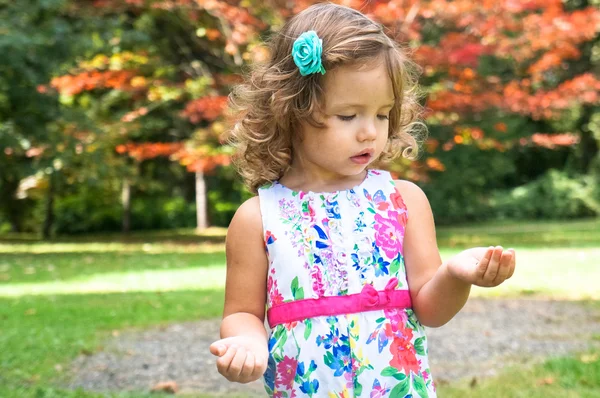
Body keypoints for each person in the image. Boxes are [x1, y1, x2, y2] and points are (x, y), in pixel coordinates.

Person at [209, 3, 516, 397]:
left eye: (383, 114)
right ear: (292, 111)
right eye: (349, 115)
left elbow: (431, 310)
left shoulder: (403, 201)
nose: (370, 132)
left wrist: (456, 275)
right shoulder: (258, 217)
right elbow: (240, 313)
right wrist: (246, 342)